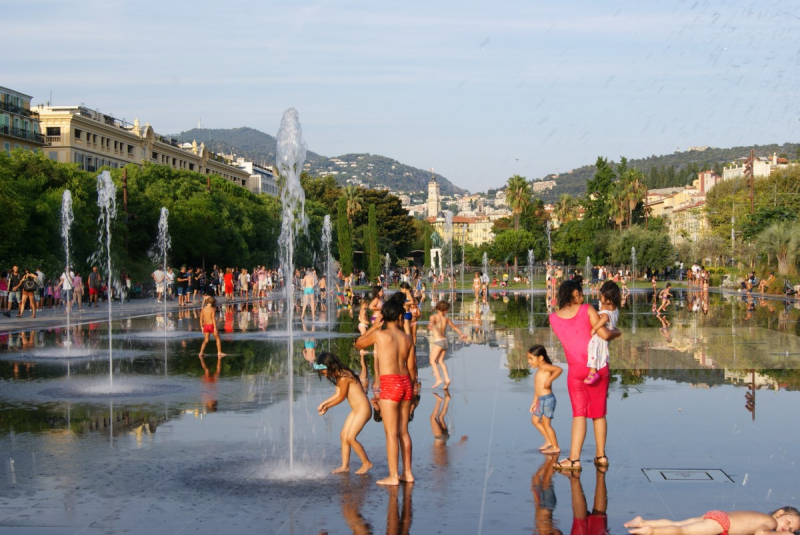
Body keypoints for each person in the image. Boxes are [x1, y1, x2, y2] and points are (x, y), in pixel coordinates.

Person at [548, 279, 621, 472]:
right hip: (598, 367)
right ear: (574, 293)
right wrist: (617, 332)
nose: (583, 295)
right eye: (580, 292)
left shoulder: (553, 318)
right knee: (599, 414)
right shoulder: (588, 309)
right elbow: (604, 334)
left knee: (579, 414)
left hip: (576, 371)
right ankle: (601, 456)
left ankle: (574, 460)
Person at [355, 292, 416, 486]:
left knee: (390, 433)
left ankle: (393, 476)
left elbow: (359, 344)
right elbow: (413, 367)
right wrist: (414, 391)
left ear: (384, 317)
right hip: (406, 382)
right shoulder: (407, 339)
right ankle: (407, 473)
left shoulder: (380, 335)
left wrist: (373, 326)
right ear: (399, 317)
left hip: (390, 383)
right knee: (404, 432)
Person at [314, 352, 373, 475]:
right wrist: (323, 403)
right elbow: (336, 394)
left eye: (324, 372)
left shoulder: (344, 377)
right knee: (343, 435)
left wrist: (327, 407)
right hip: (356, 410)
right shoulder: (339, 375)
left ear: (330, 366)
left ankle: (366, 462)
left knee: (351, 437)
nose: (325, 376)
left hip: (363, 410)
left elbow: (341, 397)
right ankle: (345, 466)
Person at [624, 507, 800, 535]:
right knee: (683, 532)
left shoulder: (762, 515)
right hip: (723, 523)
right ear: (780, 513)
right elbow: (761, 533)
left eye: (792, 530)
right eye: (789, 523)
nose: (787, 529)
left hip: (719, 515)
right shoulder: (771, 523)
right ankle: (652, 531)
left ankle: (644, 521)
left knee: (679, 523)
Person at [528, 345, 563, 454]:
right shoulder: (539, 370)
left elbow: (559, 370)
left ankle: (555, 446)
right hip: (540, 400)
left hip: (548, 400)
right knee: (535, 420)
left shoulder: (545, 367)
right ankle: (548, 440)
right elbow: (537, 389)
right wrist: (534, 402)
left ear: (540, 358)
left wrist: (550, 380)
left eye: (531, 359)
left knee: (546, 424)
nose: (529, 362)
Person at [586, 281, 621, 385]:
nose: (600, 297)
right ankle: (597, 368)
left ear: (607, 297)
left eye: (602, 295)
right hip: (610, 332)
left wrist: (595, 328)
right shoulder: (615, 308)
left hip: (601, 335)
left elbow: (605, 318)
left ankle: (593, 372)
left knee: (592, 348)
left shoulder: (604, 307)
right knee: (600, 350)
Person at [427, 300, 468, 389]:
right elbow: (454, 327)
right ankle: (447, 379)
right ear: (444, 310)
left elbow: (431, 322)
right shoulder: (446, 319)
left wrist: (430, 325)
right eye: (447, 310)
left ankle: (438, 378)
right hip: (445, 341)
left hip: (438, 342)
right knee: (441, 361)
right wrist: (461, 334)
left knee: (432, 361)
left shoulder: (433, 317)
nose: (448, 312)